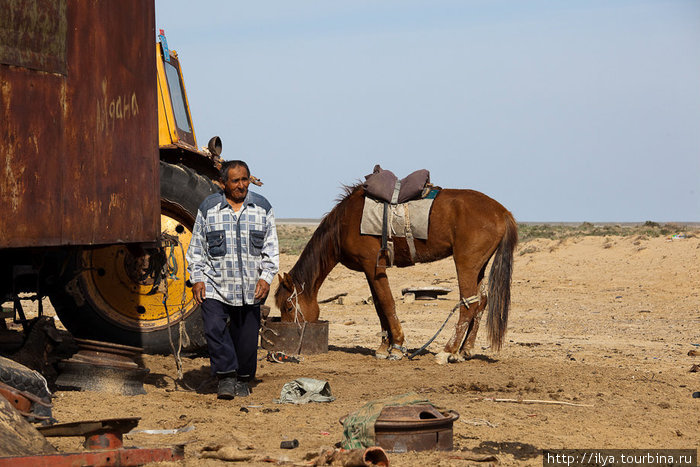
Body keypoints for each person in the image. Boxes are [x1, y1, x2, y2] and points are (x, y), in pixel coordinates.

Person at [186, 160, 279, 399]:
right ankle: (226, 377)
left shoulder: (262, 208)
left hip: (250, 287)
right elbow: (197, 248)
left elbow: (271, 248)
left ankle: (243, 379)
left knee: (247, 338)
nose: (241, 185)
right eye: (235, 180)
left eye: (245, 179)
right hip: (215, 284)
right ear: (222, 183)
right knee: (215, 328)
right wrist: (197, 279)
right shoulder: (209, 208)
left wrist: (266, 277)